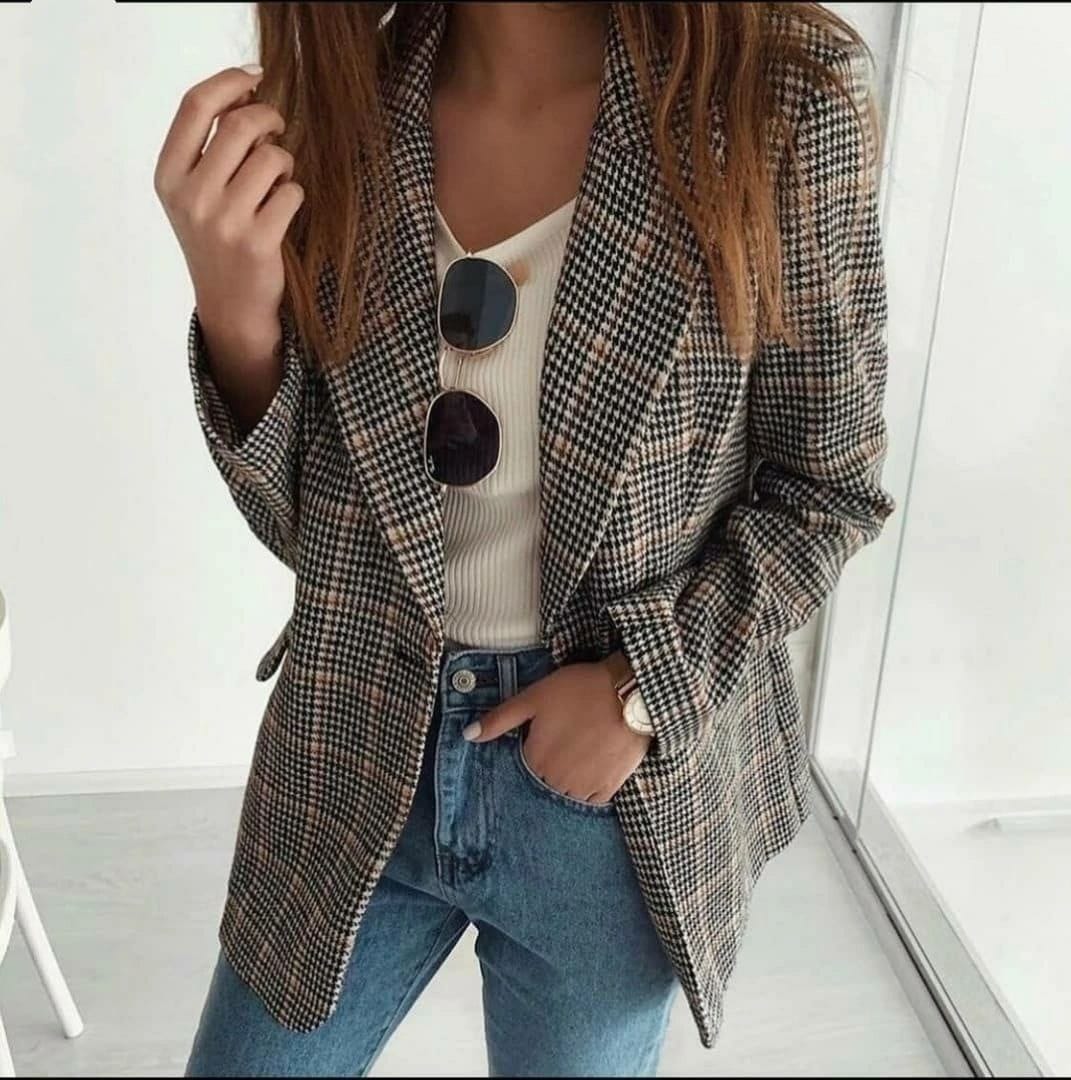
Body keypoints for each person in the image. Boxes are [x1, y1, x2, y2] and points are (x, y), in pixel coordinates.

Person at [154, 2, 896, 1076]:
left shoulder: (775, 98)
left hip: (604, 798)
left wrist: (642, 692)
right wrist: (236, 322)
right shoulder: (338, 113)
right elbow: (316, 535)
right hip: (353, 746)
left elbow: (825, 489)